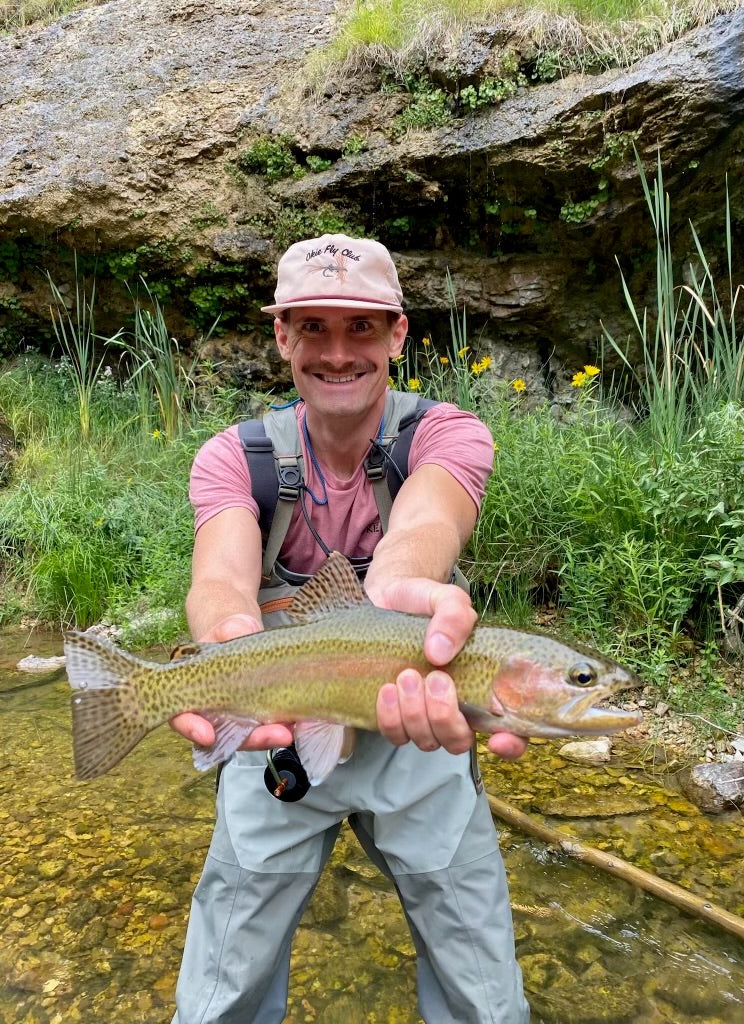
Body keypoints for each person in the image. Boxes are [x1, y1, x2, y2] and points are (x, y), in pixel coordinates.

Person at [170, 234, 530, 1024]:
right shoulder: (237, 457)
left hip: (419, 727)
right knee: (219, 990)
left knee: (484, 991)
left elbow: (429, 517)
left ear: (399, 334)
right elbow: (221, 580)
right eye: (313, 327)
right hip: (285, 722)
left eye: (362, 327)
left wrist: (397, 585)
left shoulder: (448, 433)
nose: (338, 352)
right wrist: (227, 646)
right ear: (282, 337)